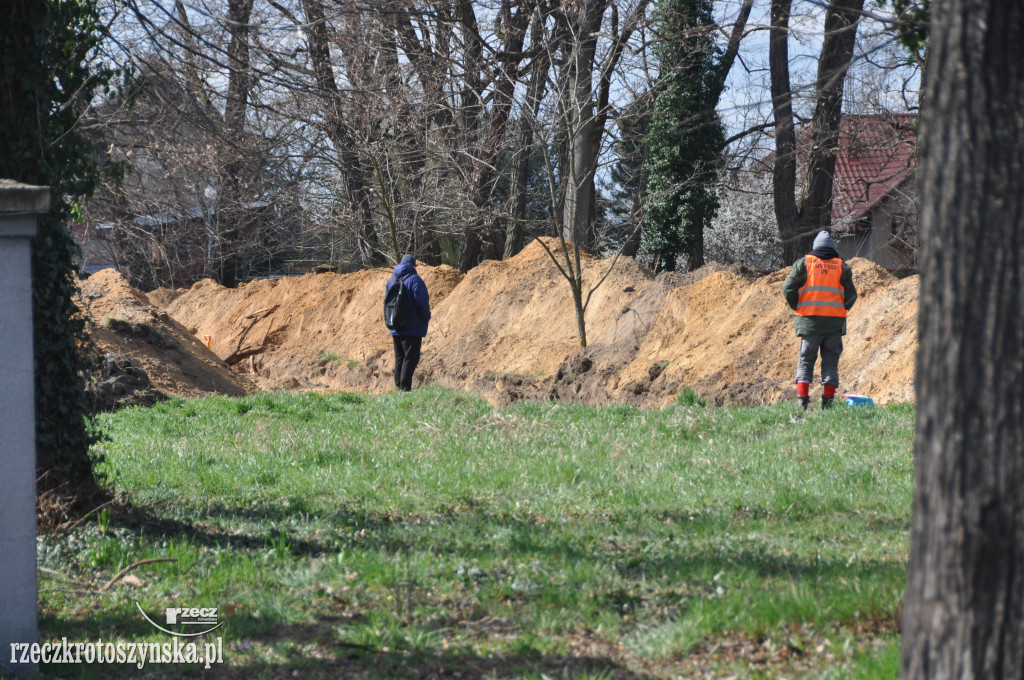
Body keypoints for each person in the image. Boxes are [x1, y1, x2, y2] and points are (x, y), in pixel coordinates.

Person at [782, 230, 858, 410]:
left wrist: (796, 306)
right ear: (833, 249)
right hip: (833, 324)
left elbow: (787, 288)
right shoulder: (842, 267)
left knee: (806, 360)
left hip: (809, 322)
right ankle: (828, 404)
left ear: (815, 248)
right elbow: (852, 295)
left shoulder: (804, 264)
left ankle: (802, 401)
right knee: (831, 361)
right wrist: (841, 308)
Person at [385, 254, 431, 391]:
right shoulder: (414, 279)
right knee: (411, 357)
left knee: (400, 356)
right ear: (413, 265)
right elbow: (422, 302)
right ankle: (404, 388)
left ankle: (399, 386)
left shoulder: (391, 280)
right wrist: (426, 317)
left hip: (395, 324)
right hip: (412, 326)